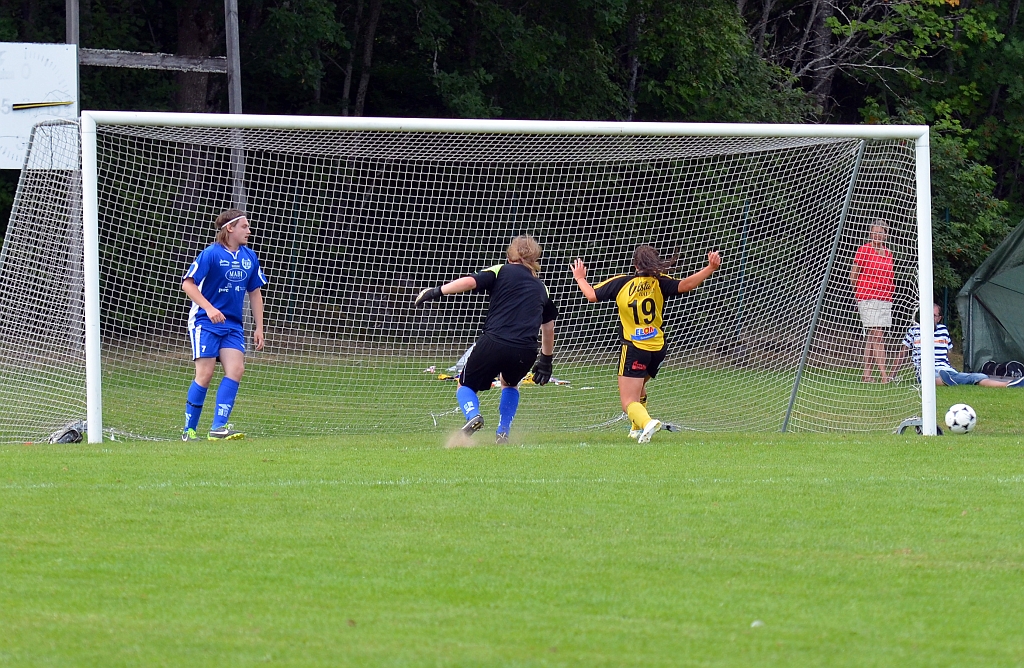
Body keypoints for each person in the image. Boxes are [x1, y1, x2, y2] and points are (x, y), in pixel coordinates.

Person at [415, 235, 558, 445]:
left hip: (495, 342)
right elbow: (548, 326)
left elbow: (470, 282)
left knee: (465, 385)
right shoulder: (541, 287)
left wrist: (437, 291)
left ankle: (473, 416)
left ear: (510, 255)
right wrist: (546, 360)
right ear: (536, 259)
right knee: (510, 384)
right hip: (526, 350)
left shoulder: (501, 270)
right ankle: (502, 432)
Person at [571, 246, 721, 443]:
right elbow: (685, 285)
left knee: (628, 402)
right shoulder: (659, 282)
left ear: (635, 264)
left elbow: (591, 295)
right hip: (658, 348)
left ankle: (647, 423)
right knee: (639, 387)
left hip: (634, 348)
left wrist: (580, 278)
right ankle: (635, 429)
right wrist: (710, 268)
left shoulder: (622, 282)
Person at [180, 209, 268, 441]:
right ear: (230, 229)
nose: (249, 231)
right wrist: (209, 308)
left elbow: (255, 292)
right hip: (205, 322)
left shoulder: (250, 257)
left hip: (232, 325)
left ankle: (218, 427)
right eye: (244, 226)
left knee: (236, 370)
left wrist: (259, 327)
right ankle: (189, 431)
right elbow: (188, 284)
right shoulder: (210, 254)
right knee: (205, 374)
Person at [893, 304, 1024, 388]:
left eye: (933, 315)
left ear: (939, 318)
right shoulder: (914, 331)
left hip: (946, 370)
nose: (929, 318)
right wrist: (892, 375)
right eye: (927, 315)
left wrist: (950, 368)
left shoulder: (943, 330)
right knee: (934, 379)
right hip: (926, 370)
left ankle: (1008, 385)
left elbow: (946, 355)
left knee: (977, 377)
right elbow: (902, 353)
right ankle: (952, 379)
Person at [850, 220, 895, 382]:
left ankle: (867, 374)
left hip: (884, 299)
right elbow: (853, 275)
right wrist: (859, 294)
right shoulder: (864, 250)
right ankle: (884, 376)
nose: (878, 235)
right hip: (867, 297)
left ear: (886, 234)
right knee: (878, 335)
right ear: (870, 233)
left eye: (881, 232)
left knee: (872, 336)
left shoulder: (888, 253)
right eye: (875, 232)